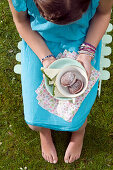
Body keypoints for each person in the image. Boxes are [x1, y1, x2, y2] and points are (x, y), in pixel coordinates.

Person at [8, 0, 113, 164]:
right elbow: (21, 22)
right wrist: (46, 58)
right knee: (34, 120)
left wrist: (87, 52)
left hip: (83, 41)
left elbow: (104, 13)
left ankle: (78, 130)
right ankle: (44, 131)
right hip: (39, 42)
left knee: (77, 109)